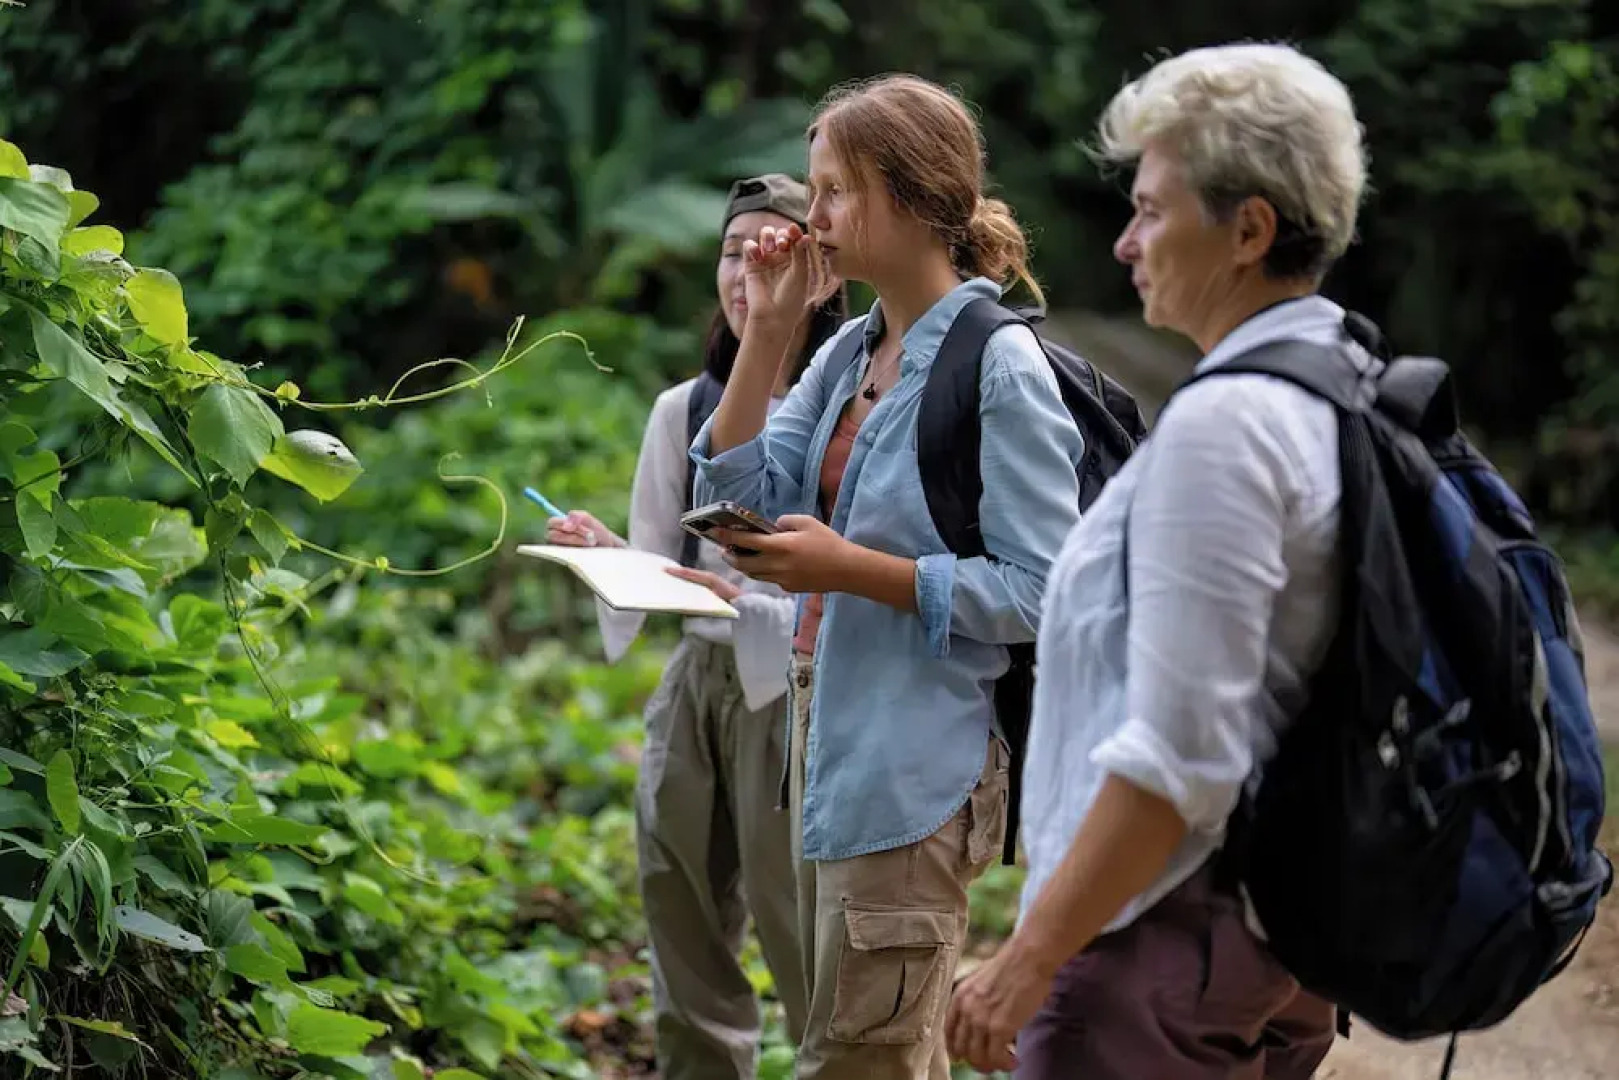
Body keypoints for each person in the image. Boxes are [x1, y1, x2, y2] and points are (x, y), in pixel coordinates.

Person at [943, 41, 1370, 1078]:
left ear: (1248, 231)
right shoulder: (1343, 377)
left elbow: (1180, 755)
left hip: (1161, 942)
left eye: (1149, 209)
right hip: (1284, 920)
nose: (1125, 242)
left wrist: (1028, 960)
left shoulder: (1226, 428)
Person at [687, 74, 1086, 1080]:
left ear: (908, 199)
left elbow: (1044, 592)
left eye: (833, 190)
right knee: (871, 1050)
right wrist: (767, 333)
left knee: (854, 1060)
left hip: (915, 768)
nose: (810, 216)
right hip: (827, 744)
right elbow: (735, 486)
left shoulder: (998, 367)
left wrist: (850, 569)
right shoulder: (851, 350)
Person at [545, 174, 848, 1080]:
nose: (746, 269)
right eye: (731, 250)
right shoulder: (682, 409)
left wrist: (747, 601)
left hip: (803, 687)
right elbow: (656, 561)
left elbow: (860, 580)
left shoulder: (848, 411)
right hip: (696, 683)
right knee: (678, 907)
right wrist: (607, 552)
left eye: (772, 249)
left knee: (799, 924)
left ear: (824, 272)